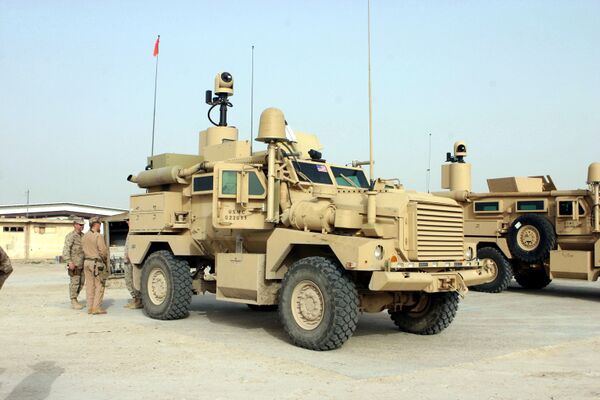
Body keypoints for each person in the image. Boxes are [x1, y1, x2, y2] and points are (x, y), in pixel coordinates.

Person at [82, 217, 109, 315]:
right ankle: (96, 307)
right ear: (96, 224)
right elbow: (103, 251)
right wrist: (105, 261)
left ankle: (90, 307)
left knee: (90, 286)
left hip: (86, 262)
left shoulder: (84, 236)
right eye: (99, 224)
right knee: (99, 285)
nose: (100, 226)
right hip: (96, 263)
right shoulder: (98, 236)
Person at [62, 216, 86, 309]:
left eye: (83, 225)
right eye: (80, 225)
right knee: (75, 282)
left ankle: (75, 298)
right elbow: (66, 250)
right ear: (75, 225)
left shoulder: (83, 236)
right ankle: (73, 300)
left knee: (81, 282)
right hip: (74, 264)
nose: (82, 226)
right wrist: (69, 262)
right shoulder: (71, 236)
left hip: (82, 263)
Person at [123, 218, 142, 309]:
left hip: (131, 261)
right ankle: (135, 300)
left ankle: (138, 301)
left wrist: (130, 257)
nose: (127, 222)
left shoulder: (135, 232)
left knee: (133, 281)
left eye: (129, 220)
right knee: (128, 281)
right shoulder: (130, 232)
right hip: (127, 261)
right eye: (127, 221)